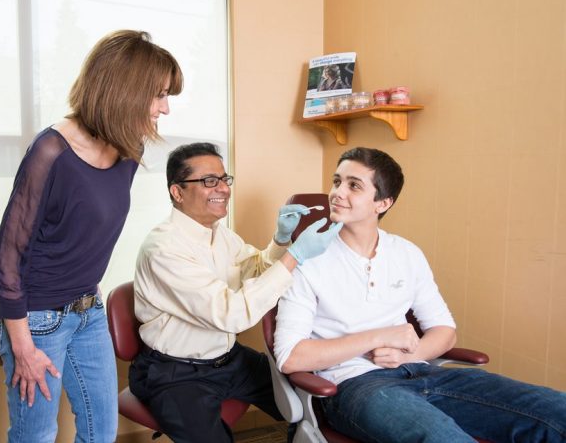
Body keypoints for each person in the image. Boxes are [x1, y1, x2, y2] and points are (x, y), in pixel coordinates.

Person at [274, 147, 566, 442]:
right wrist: (379, 337)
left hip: (425, 372)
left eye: (354, 185)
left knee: (558, 410)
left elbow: (445, 331)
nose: (337, 192)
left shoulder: (407, 253)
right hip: (356, 385)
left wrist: (411, 354)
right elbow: (291, 358)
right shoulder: (307, 258)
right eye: (337, 181)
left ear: (383, 202)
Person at [0, 30, 183, 443]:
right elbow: (8, 258)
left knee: (101, 432)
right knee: (36, 436)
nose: (165, 108)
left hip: (88, 311)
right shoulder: (51, 153)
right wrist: (23, 347)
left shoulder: (130, 147)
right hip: (37, 320)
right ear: (125, 91)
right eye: (159, 95)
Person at [128, 142, 341, 443]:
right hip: (177, 372)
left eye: (224, 179)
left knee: (315, 403)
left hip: (229, 359)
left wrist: (280, 241)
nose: (223, 189)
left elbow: (255, 269)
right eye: (208, 181)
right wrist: (295, 255)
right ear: (177, 192)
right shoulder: (164, 249)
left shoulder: (221, 233)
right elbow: (232, 314)